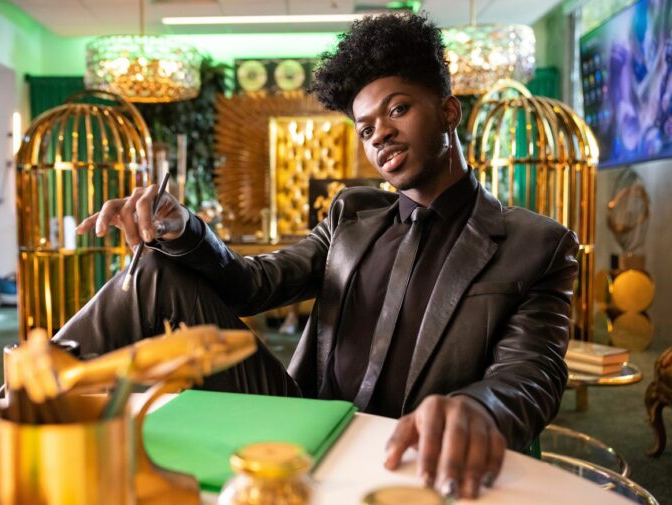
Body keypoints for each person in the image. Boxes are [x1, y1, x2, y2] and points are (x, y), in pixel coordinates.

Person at [59, 12, 579, 500]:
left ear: (448, 111)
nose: (382, 136)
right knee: (153, 269)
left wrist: (477, 407)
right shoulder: (353, 214)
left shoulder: (536, 243)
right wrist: (183, 229)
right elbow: (253, 284)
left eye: (398, 109)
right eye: (367, 128)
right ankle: (33, 391)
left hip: (404, 452)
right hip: (301, 418)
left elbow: (533, 375)